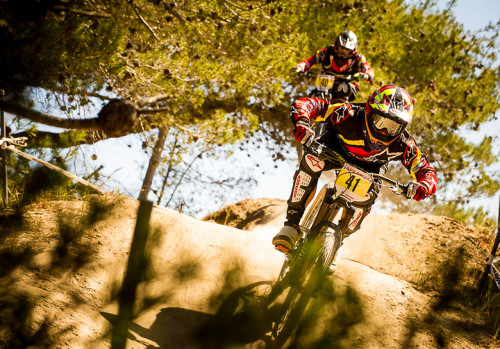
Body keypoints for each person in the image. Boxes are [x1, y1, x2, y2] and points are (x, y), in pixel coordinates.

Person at [272, 84, 438, 253]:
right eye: (380, 122)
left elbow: (426, 172)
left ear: (403, 128)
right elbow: (307, 104)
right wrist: (302, 122)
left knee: (365, 199)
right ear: (368, 111)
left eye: (393, 127)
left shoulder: (405, 144)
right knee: (312, 160)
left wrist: (423, 186)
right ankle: (291, 224)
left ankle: (338, 242)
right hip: (335, 147)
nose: (384, 132)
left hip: (372, 166)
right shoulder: (346, 113)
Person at [292, 30, 374, 101]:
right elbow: (309, 61)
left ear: (352, 51)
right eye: (341, 50)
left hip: (346, 86)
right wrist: (300, 67)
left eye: (346, 52)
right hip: (326, 83)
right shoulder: (325, 53)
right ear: (336, 46)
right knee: (315, 96)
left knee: (343, 87)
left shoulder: (358, 57)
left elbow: (367, 68)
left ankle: (342, 111)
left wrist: (366, 75)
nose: (342, 55)